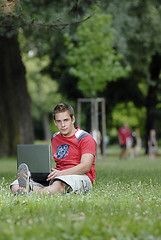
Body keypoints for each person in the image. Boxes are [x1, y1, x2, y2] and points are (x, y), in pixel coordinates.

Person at [10, 103, 97, 195]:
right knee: (15, 186)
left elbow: (85, 167)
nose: (62, 125)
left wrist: (61, 173)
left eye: (66, 120)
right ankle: (40, 191)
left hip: (80, 177)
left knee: (57, 186)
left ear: (73, 119)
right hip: (57, 176)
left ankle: (33, 191)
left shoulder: (85, 138)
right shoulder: (55, 138)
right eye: (59, 121)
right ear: (55, 122)